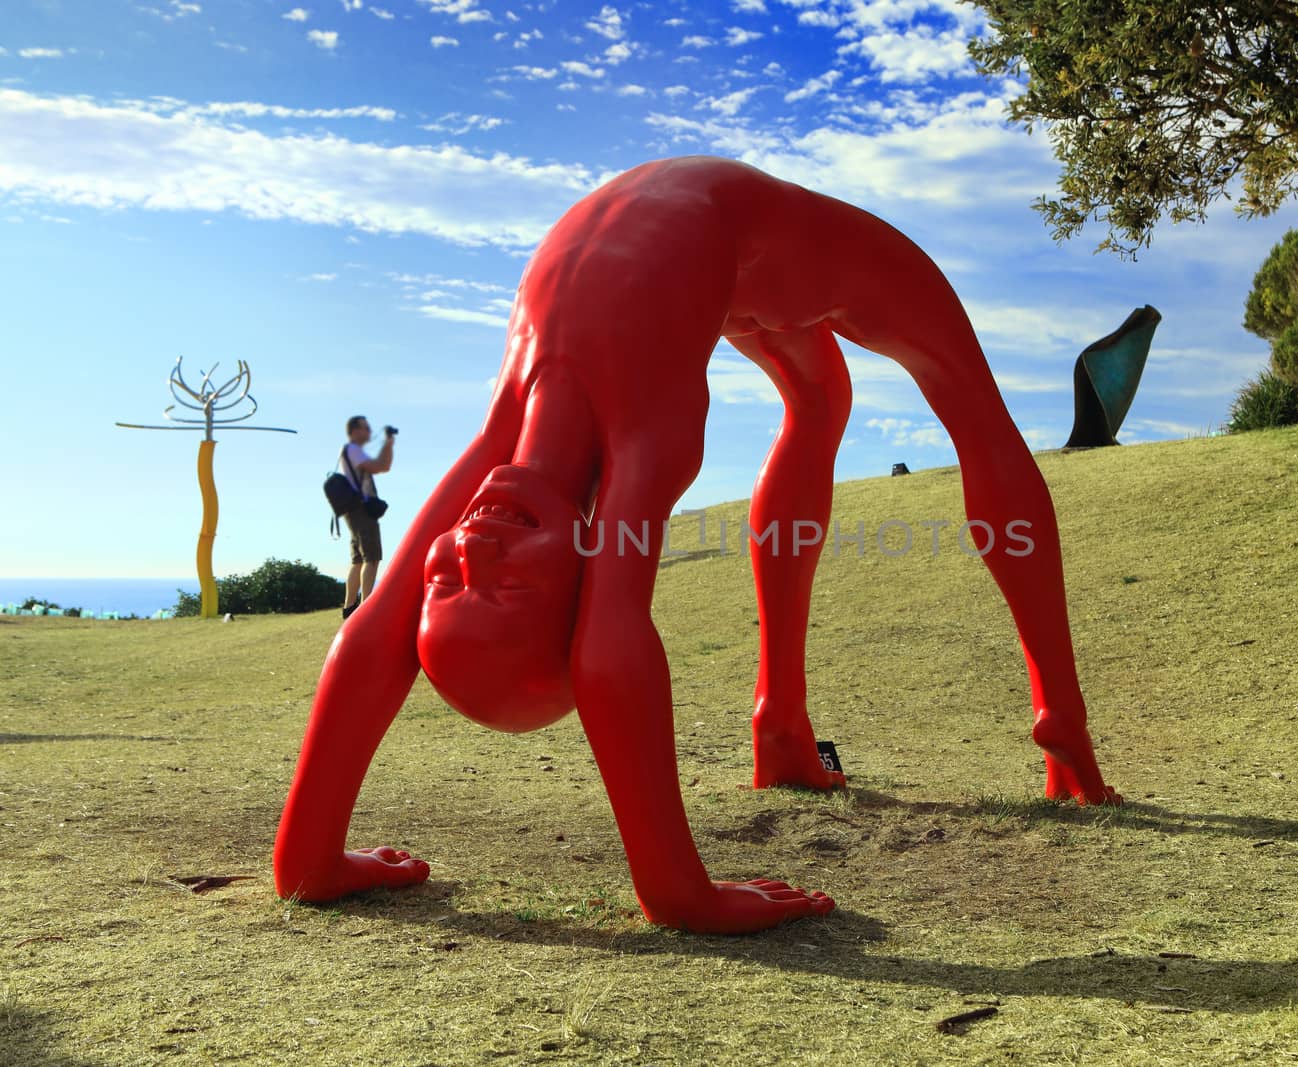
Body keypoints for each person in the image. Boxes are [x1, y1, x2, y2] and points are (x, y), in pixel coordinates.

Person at [275, 156, 1120, 935]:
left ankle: (788, 725)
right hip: (725, 245)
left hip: (717, 248)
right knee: (938, 395)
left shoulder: (505, 434)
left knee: (827, 396)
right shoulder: (644, 433)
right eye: (505, 586)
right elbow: (610, 644)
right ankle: (1040, 723)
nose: (475, 548)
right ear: (584, 565)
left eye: (450, 578)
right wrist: (679, 893)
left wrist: (307, 860)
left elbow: (380, 621)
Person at [340, 416, 394, 619]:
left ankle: (349, 608)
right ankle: (365, 609)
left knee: (358, 560)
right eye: (366, 428)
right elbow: (381, 466)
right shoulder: (353, 450)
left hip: (352, 510)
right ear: (355, 430)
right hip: (361, 510)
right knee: (372, 558)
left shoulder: (349, 451)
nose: (370, 431)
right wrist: (389, 443)